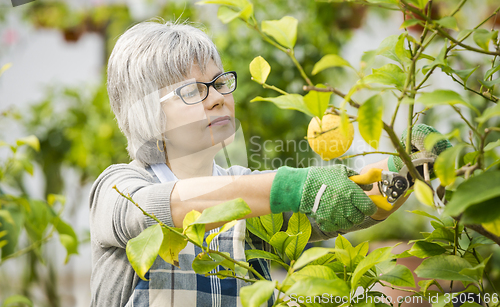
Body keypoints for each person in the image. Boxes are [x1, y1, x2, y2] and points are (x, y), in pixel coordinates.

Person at [89, 20, 450, 307]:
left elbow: (349, 206)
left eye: (218, 82)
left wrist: (407, 166)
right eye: (194, 90)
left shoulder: (249, 187)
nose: (216, 98)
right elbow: (162, 207)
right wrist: (294, 187)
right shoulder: (118, 188)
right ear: (145, 111)